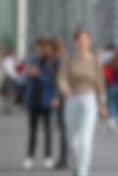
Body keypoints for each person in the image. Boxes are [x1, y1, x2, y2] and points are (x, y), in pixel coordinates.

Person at [58, 29, 108, 176]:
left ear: (89, 41)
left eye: (86, 39)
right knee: (73, 139)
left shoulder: (94, 61)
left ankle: (82, 171)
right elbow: (62, 77)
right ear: (75, 42)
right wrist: (64, 88)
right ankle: (78, 165)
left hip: (89, 99)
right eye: (80, 39)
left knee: (86, 137)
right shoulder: (69, 59)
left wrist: (102, 104)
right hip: (72, 98)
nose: (83, 42)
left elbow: (100, 83)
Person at [22, 37, 57, 170]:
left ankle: (48, 157)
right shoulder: (33, 60)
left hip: (46, 101)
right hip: (33, 100)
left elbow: (52, 82)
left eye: (42, 47)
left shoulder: (51, 62)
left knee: (47, 130)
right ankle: (29, 157)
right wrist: (27, 74)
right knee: (32, 131)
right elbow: (25, 79)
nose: (40, 50)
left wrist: (39, 75)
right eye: (38, 47)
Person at [49, 36, 68, 170]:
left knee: (63, 128)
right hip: (64, 96)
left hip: (62, 97)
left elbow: (59, 79)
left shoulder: (59, 59)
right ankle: (64, 158)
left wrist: (56, 97)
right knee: (64, 128)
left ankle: (64, 159)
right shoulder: (63, 57)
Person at [1, 48, 18, 114]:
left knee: (7, 94)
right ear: (10, 53)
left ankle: (7, 107)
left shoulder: (9, 60)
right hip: (9, 79)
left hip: (8, 78)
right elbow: (10, 71)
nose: (13, 54)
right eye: (12, 53)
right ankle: (8, 108)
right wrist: (15, 77)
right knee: (10, 93)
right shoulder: (8, 60)